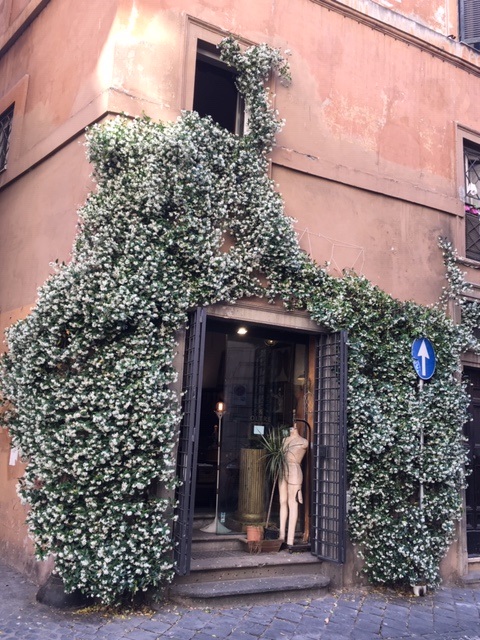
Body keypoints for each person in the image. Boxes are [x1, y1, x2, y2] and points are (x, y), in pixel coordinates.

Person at [278, 424, 308, 547]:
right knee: (282, 501)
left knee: (292, 503)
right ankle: (281, 535)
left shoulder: (303, 442)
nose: (292, 427)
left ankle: (290, 538)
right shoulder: (284, 440)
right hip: (283, 468)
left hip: (294, 470)